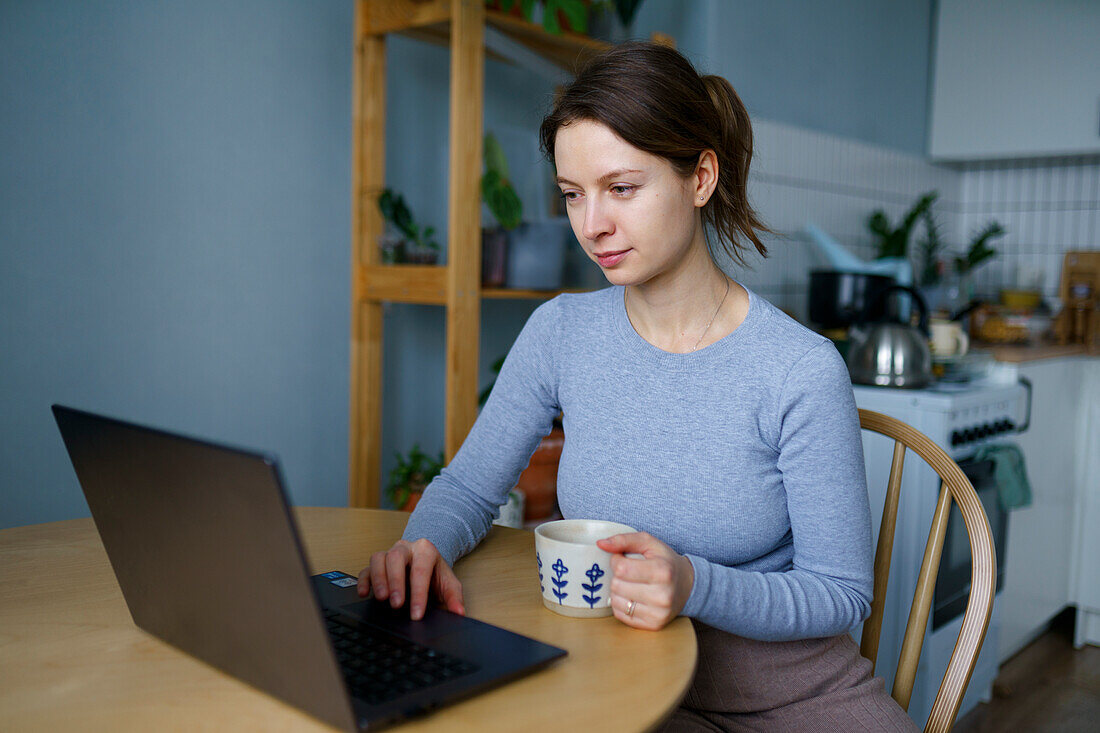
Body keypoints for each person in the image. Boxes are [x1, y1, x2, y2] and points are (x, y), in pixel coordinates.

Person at [358, 42, 918, 731]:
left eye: (622, 188)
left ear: (701, 177)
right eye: (572, 195)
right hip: (624, 686)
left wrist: (693, 583)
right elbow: (471, 487)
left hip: (796, 702)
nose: (593, 224)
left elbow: (840, 593)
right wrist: (424, 547)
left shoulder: (798, 369)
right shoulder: (561, 332)